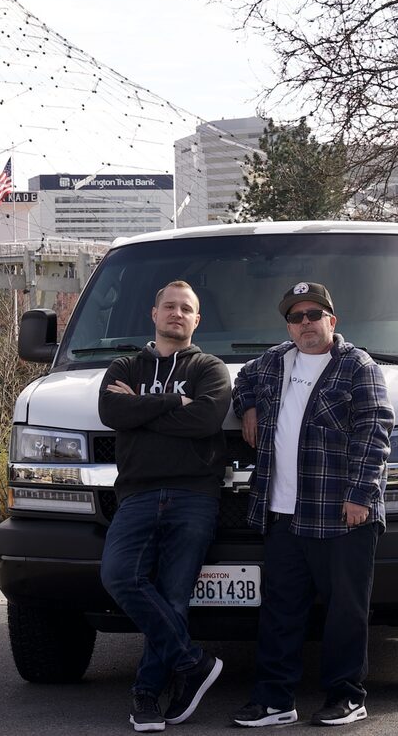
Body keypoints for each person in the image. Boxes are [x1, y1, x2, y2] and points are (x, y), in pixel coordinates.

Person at [230, 281, 394, 728]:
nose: (305, 323)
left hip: (342, 513)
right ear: (288, 324)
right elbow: (241, 379)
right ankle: (274, 700)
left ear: (331, 320)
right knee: (280, 611)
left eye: (313, 315)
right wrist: (247, 408)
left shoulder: (358, 367)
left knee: (345, 613)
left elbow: (374, 434)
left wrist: (361, 497)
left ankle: (346, 696)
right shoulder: (273, 362)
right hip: (282, 513)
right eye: (296, 316)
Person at [98, 280, 232, 732]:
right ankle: (193, 663)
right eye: (169, 307)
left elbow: (206, 420)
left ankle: (147, 694)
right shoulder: (124, 364)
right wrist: (174, 400)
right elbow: (112, 413)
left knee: (174, 597)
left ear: (197, 320)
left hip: (195, 495)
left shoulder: (210, 368)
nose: (177, 313)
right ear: (153, 314)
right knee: (118, 575)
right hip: (136, 494)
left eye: (186, 309)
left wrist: (143, 409)